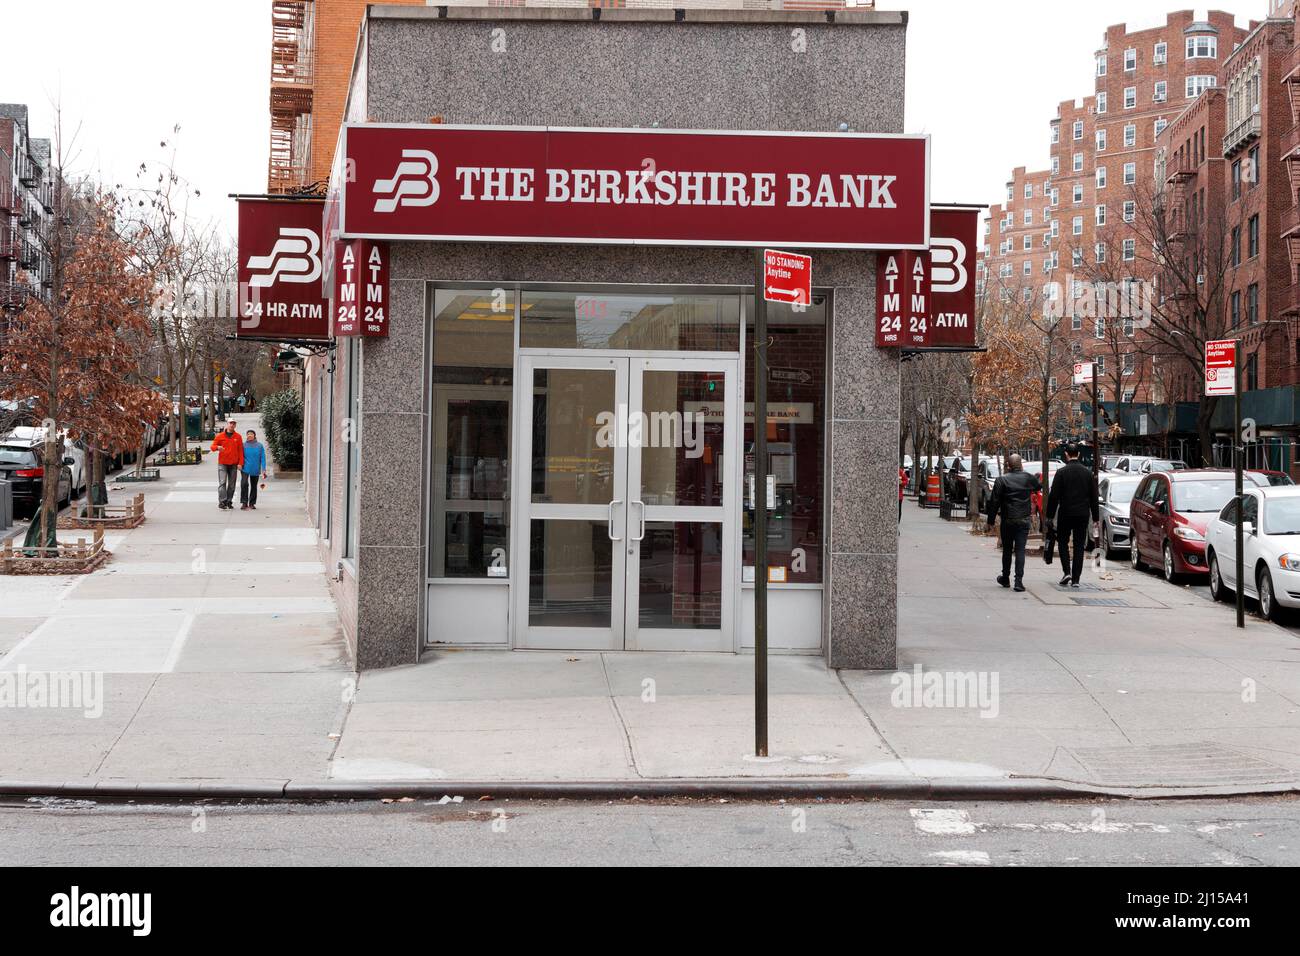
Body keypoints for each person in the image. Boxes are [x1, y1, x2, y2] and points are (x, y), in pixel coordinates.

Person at [985, 453, 1040, 592]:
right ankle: (1018, 582)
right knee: (1020, 550)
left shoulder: (1001, 480)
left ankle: (1005, 577)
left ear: (1008, 465)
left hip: (1008, 519)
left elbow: (994, 502)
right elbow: (1038, 486)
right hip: (1023, 519)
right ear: (1021, 464)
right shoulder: (1028, 478)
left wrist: (990, 521)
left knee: (1007, 550)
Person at [1046, 444, 1099, 588]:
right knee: (1079, 545)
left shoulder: (1061, 472)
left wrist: (1049, 516)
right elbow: (1094, 497)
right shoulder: (1087, 473)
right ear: (1079, 454)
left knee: (1063, 542)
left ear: (1066, 454)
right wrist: (1095, 518)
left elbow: (1054, 496)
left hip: (1066, 513)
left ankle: (1066, 571)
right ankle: (1076, 579)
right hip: (1082, 514)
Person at [210, 420, 244, 511]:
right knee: (222, 483)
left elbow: (240, 451)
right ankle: (222, 502)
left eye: (234, 423)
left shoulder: (238, 437)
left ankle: (229, 501)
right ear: (227, 424)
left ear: (235, 425)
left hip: (234, 464)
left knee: (232, 485)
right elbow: (212, 447)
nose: (232, 425)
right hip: (223, 464)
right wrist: (217, 447)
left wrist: (240, 463)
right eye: (230, 423)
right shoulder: (220, 436)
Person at [240, 429, 269, 511]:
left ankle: (252, 503)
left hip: (255, 468)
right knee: (244, 484)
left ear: (254, 435)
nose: (249, 435)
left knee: (254, 486)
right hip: (245, 468)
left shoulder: (259, 446)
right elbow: (240, 456)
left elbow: (262, 458)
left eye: (251, 434)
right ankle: (244, 503)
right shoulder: (243, 445)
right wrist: (239, 464)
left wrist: (264, 469)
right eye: (248, 434)